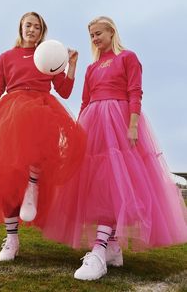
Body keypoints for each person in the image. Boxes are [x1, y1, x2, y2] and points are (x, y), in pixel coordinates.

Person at [42, 16, 187, 280]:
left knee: (114, 180)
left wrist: (132, 125)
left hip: (119, 121)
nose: (95, 39)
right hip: (93, 124)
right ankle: (112, 247)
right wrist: (78, 131)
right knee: (99, 183)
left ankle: (98, 251)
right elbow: (85, 102)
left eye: (99, 33)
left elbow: (135, 92)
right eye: (92, 36)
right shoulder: (91, 67)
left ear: (111, 32)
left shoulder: (128, 57)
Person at [0, 12, 85, 262]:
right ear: (21, 28)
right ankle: (12, 238)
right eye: (28, 25)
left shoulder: (48, 55)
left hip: (41, 110)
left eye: (37, 27)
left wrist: (71, 65)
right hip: (11, 114)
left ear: (42, 32)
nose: (32, 30)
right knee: (7, 178)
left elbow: (65, 91)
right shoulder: (6, 57)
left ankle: (33, 183)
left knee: (36, 119)